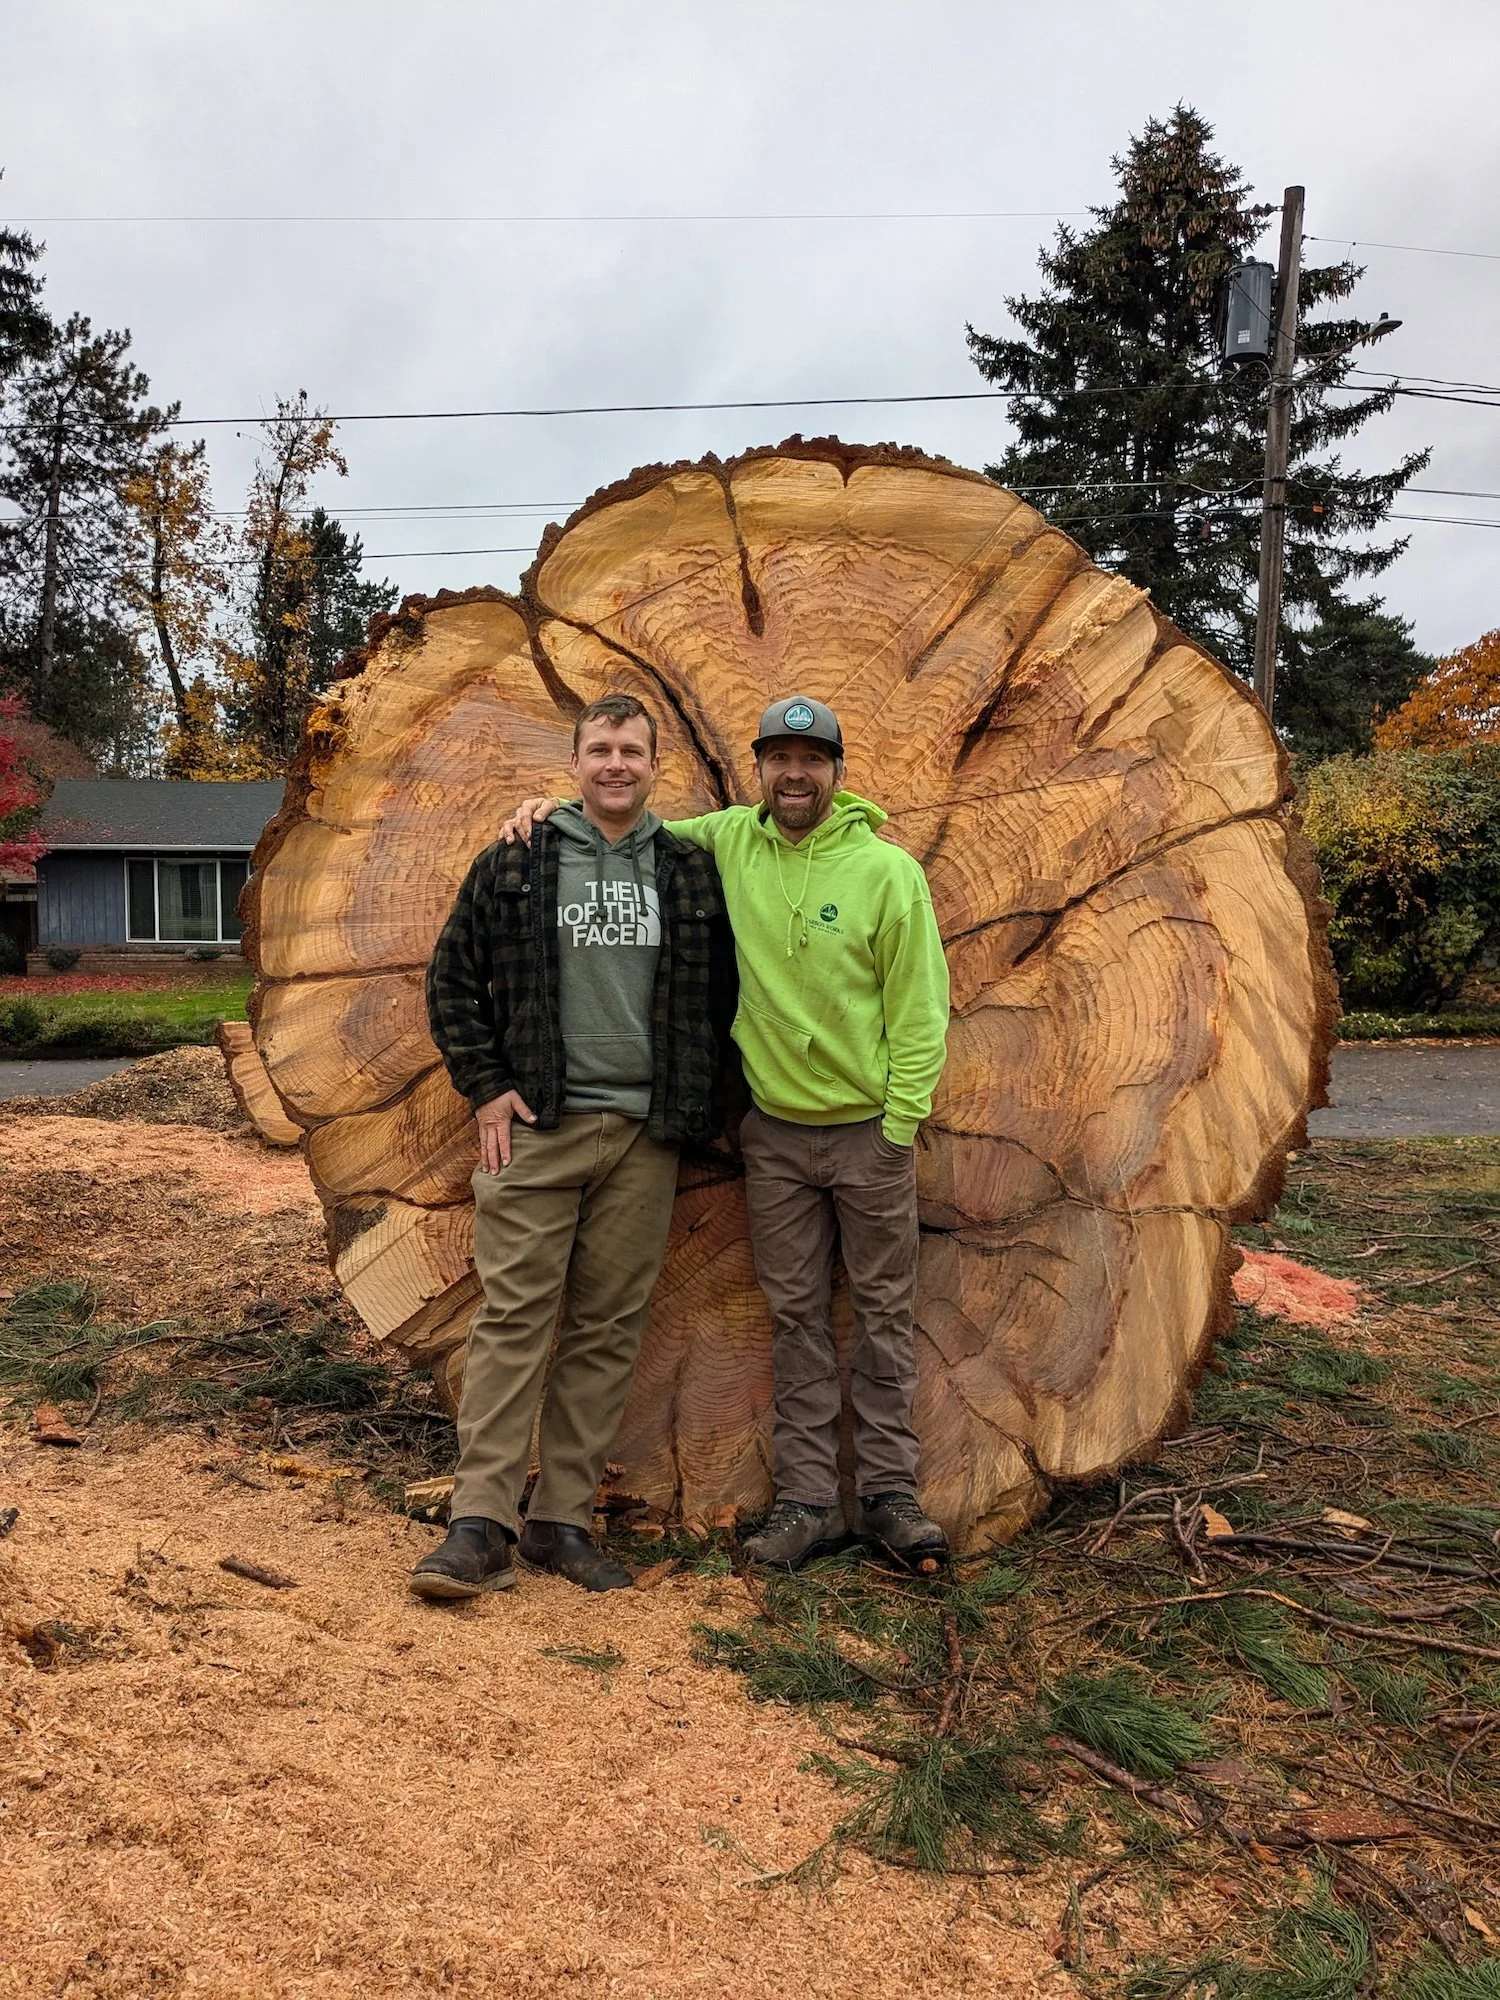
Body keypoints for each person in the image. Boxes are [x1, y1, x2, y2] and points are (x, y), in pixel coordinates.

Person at [502, 696, 951, 1572]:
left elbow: (922, 1013)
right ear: (760, 771)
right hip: (774, 1138)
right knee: (795, 1323)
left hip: (869, 1134)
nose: (794, 775)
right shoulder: (729, 842)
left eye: (811, 760)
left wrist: (898, 1127)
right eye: (779, 759)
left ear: (837, 772)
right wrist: (549, 812)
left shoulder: (888, 874)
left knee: (884, 1314)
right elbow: (631, 819)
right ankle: (809, 1503)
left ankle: (893, 1497)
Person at [411, 693, 734, 1601]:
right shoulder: (520, 857)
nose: (616, 764)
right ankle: (481, 1524)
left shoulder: (687, 867)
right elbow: (451, 979)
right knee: (514, 1318)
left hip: (644, 1133)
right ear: (578, 761)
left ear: (654, 761)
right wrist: (484, 1083)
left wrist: (701, 1105)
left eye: (632, 750)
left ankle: (562, 1521)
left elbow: (720, 1000)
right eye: (600, 749)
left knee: (605, 1330)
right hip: (537, 1131)